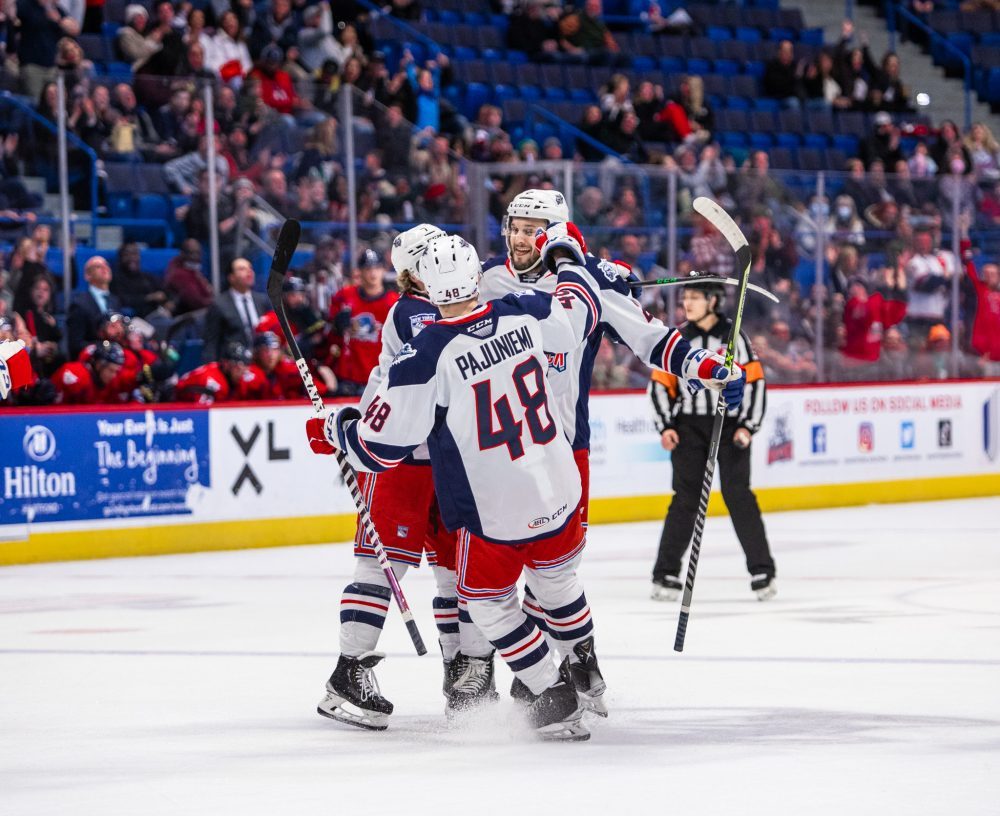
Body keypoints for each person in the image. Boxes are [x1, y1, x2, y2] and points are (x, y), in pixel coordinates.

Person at [305, 232, 613, 740]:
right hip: (479, 473)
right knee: (394, 567)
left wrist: (340, 432)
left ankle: (475, 675)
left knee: (465, 584)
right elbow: (570, 312)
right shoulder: (485, 312)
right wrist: (576, 264)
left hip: (460, 472)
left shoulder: (438, 343)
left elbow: (380, 440)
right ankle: (352, 668)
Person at [479, 190, 746, 692]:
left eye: (532, 228)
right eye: (514, 226)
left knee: (554, 572)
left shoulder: (588, 282)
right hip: (493, 453)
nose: (519, 237)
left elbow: (651, 338)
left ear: (554, 233)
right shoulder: (485, 279)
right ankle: (490, 674)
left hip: (562, 448)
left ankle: (577, 667)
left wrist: (704, 366)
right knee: (487, 576)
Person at [311, 225, 493, 732]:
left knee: (456, 572)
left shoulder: (444, 306)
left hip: (446, 461)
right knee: (379, 567)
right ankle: (347, 675)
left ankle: (465, 671)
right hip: (400, 461)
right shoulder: (415, 311)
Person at [647, 281, 776, 601]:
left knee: (738, 495)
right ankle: (665, 573)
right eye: (685, 297)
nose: (687, 303)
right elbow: (661, 383)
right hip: (688, 427)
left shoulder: (734, 336)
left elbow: (755, 382)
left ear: (713, 301)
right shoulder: (677, 338)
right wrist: (666, 426)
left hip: (730, 426)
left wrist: (747, 425)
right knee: (685, 499)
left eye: (694, 297)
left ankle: (762, 570)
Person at [328, 249, 399, 395]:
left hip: (381, 375)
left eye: (377, 268)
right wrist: (336, 325)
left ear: (384, 270)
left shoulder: (394, 302)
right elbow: (330, 330)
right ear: (360, 271)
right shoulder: (345, 296)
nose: (373, 273)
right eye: (368, 268)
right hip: (349, 376)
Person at [202, 258, 271, 362]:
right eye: (242, 269)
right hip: (234, 365)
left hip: (262, 362)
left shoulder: (262, 301)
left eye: (250, 268)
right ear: (231, 277)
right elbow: (211, 343)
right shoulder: (219, 305)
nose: (249, 272)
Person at [66, 256, 122, 358]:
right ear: (87, 275)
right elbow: (75, 345)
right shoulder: (79, 304)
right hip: (92, 361)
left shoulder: (115, 301)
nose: (104, 268)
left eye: (106, 265)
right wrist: (104, 347)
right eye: (98, 266)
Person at [51, 339, 130, 404]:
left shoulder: (110, 382)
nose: (113, 376)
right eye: (111, 370)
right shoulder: (78, 376)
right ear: (99, 365)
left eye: (116, 371)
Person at [173, 341, 252, 404]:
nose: (242, 372)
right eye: (238, 366)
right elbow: (201, 415)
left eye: (245, 367)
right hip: (176, 410)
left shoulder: (229, 378)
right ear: (226, 364)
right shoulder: (211, 381)